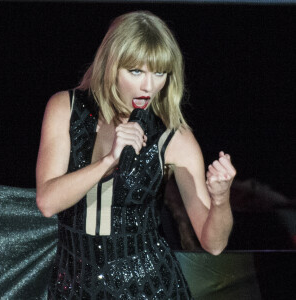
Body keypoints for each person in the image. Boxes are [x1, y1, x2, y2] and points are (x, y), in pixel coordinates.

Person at [36, 11, 236, 299]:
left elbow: (213, 244)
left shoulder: (174, 136)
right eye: (136, 72)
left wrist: (221, 199)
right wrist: (109, 161)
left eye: (159, 73)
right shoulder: (65, 108)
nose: (149, 86)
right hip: (73, 285)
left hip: (149, 288)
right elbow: (47, 202)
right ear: (111, 65)